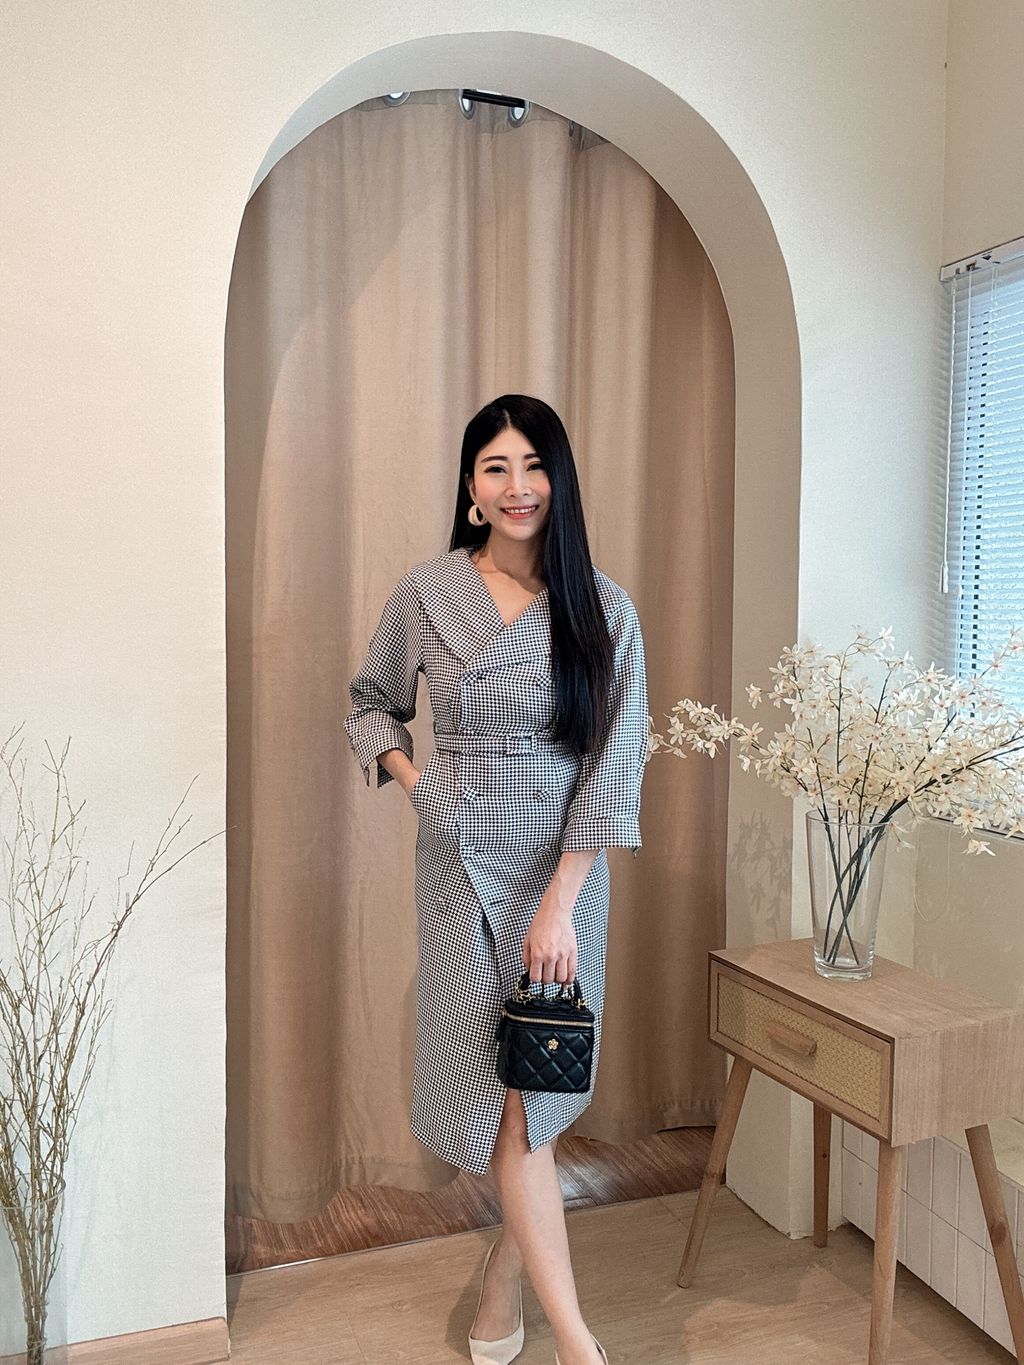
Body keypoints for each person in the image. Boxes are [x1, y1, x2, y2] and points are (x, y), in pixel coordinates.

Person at [343, 394, 649, 1365]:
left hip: (563, 877)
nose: (517, 486)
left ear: (558, 479)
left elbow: (613, 764)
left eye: (533, 464)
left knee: (533, 1091)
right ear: (472, 489)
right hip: (458, 871)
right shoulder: (427, 592)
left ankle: (517, 1290)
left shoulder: (603, 608)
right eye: (495, 467)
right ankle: (577, 1342)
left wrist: (560, 903)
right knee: (506, 1096)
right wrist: (420, 787)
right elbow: (369, 704)